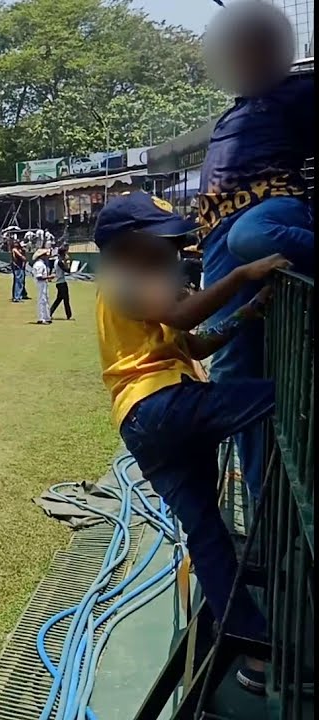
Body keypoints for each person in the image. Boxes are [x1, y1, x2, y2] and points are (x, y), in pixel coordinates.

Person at [92, 192, 289, 694]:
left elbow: (194, 342)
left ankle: (255, 652)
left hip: (150, 429)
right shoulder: (118, 280)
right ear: (123, 247)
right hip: (159, 407)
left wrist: (248, 315)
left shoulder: (142, 285)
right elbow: (182, 320)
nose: (172, 257)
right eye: (160, 247)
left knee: (208, 538)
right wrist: (243, 276)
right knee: (282, 395)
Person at [197, 0, 314, 500]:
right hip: (217, 240)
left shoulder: (294, 93)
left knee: (251, 237)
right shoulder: (232, 114)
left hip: (271, 212)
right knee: (230, 373)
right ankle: (263, 507)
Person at [49, 246, 73, 320]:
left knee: (59, 299)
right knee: (66, 299)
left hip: (59, 282)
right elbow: (67, 270)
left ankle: (49, 312)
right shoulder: (60, 262)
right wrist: (68, 262)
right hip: (62, 283)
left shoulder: (57, 261)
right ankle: (68, 314)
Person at [32, 248, 53, 325]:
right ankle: (41, 318)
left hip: (43, 283)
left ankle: (47, 317)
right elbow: (39, 277)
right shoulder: (39, 265)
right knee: (42, 300)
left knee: (45, 299)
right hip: (41, 283)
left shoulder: (41, 264)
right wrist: (49, 277)